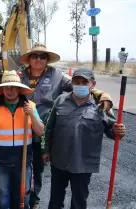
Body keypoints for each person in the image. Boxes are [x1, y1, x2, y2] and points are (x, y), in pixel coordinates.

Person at [17, 42, 114, 209]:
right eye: (35, 56)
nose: (38, 59)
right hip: (20, 127)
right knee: (21, 163)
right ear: (29, 59)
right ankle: (19, 195)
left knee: (38, 167)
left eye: (43, 56)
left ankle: (34, 198)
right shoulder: (19, 75)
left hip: (43, 128)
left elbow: (81, 85)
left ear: (47, 60)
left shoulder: (57, 75)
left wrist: (102, 94)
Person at [44, 68, 126, 209]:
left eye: (84, 82)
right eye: (77, 81)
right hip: (59, 159)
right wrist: (45, 150)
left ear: (92, 84)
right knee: (55, 199)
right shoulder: (60, 100)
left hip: (83, 162)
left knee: (79, 200)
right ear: (72, 82)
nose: (80, 85)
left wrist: (119, 131)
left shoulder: (102, 106)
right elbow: (49, 127)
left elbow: (112, 132)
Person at [0, 70, 44, 209]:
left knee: (23, 195)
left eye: (13, 87)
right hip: (0, 162)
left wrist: (31, 115)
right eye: (6, 87)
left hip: (23, 161)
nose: (10, 91)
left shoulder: (30, 106)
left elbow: (40, 131)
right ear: (2, 89)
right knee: (3, 194)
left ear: (19, 89)